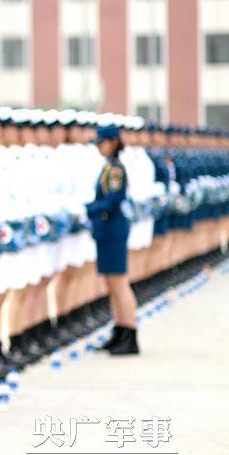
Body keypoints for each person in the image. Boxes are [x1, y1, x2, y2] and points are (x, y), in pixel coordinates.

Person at [87, 123, 138, 355]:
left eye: (102, 143)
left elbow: (114, 199)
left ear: (113, 142)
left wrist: (90, 209)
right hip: (106, 231)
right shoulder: (108, 167)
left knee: (119, 283)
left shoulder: (116, 169)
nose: (99, 147)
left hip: (113, 230)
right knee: (111, 284)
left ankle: (129, 333)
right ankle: (119, 330)